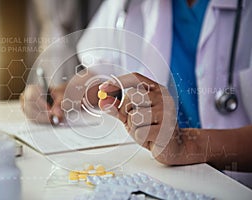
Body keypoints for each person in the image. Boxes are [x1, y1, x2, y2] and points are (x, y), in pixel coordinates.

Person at [21, 0, 252, 187]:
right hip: (163, 176)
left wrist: (187, 146)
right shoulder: (129, 3)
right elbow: (105, 69)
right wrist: (63, 94)